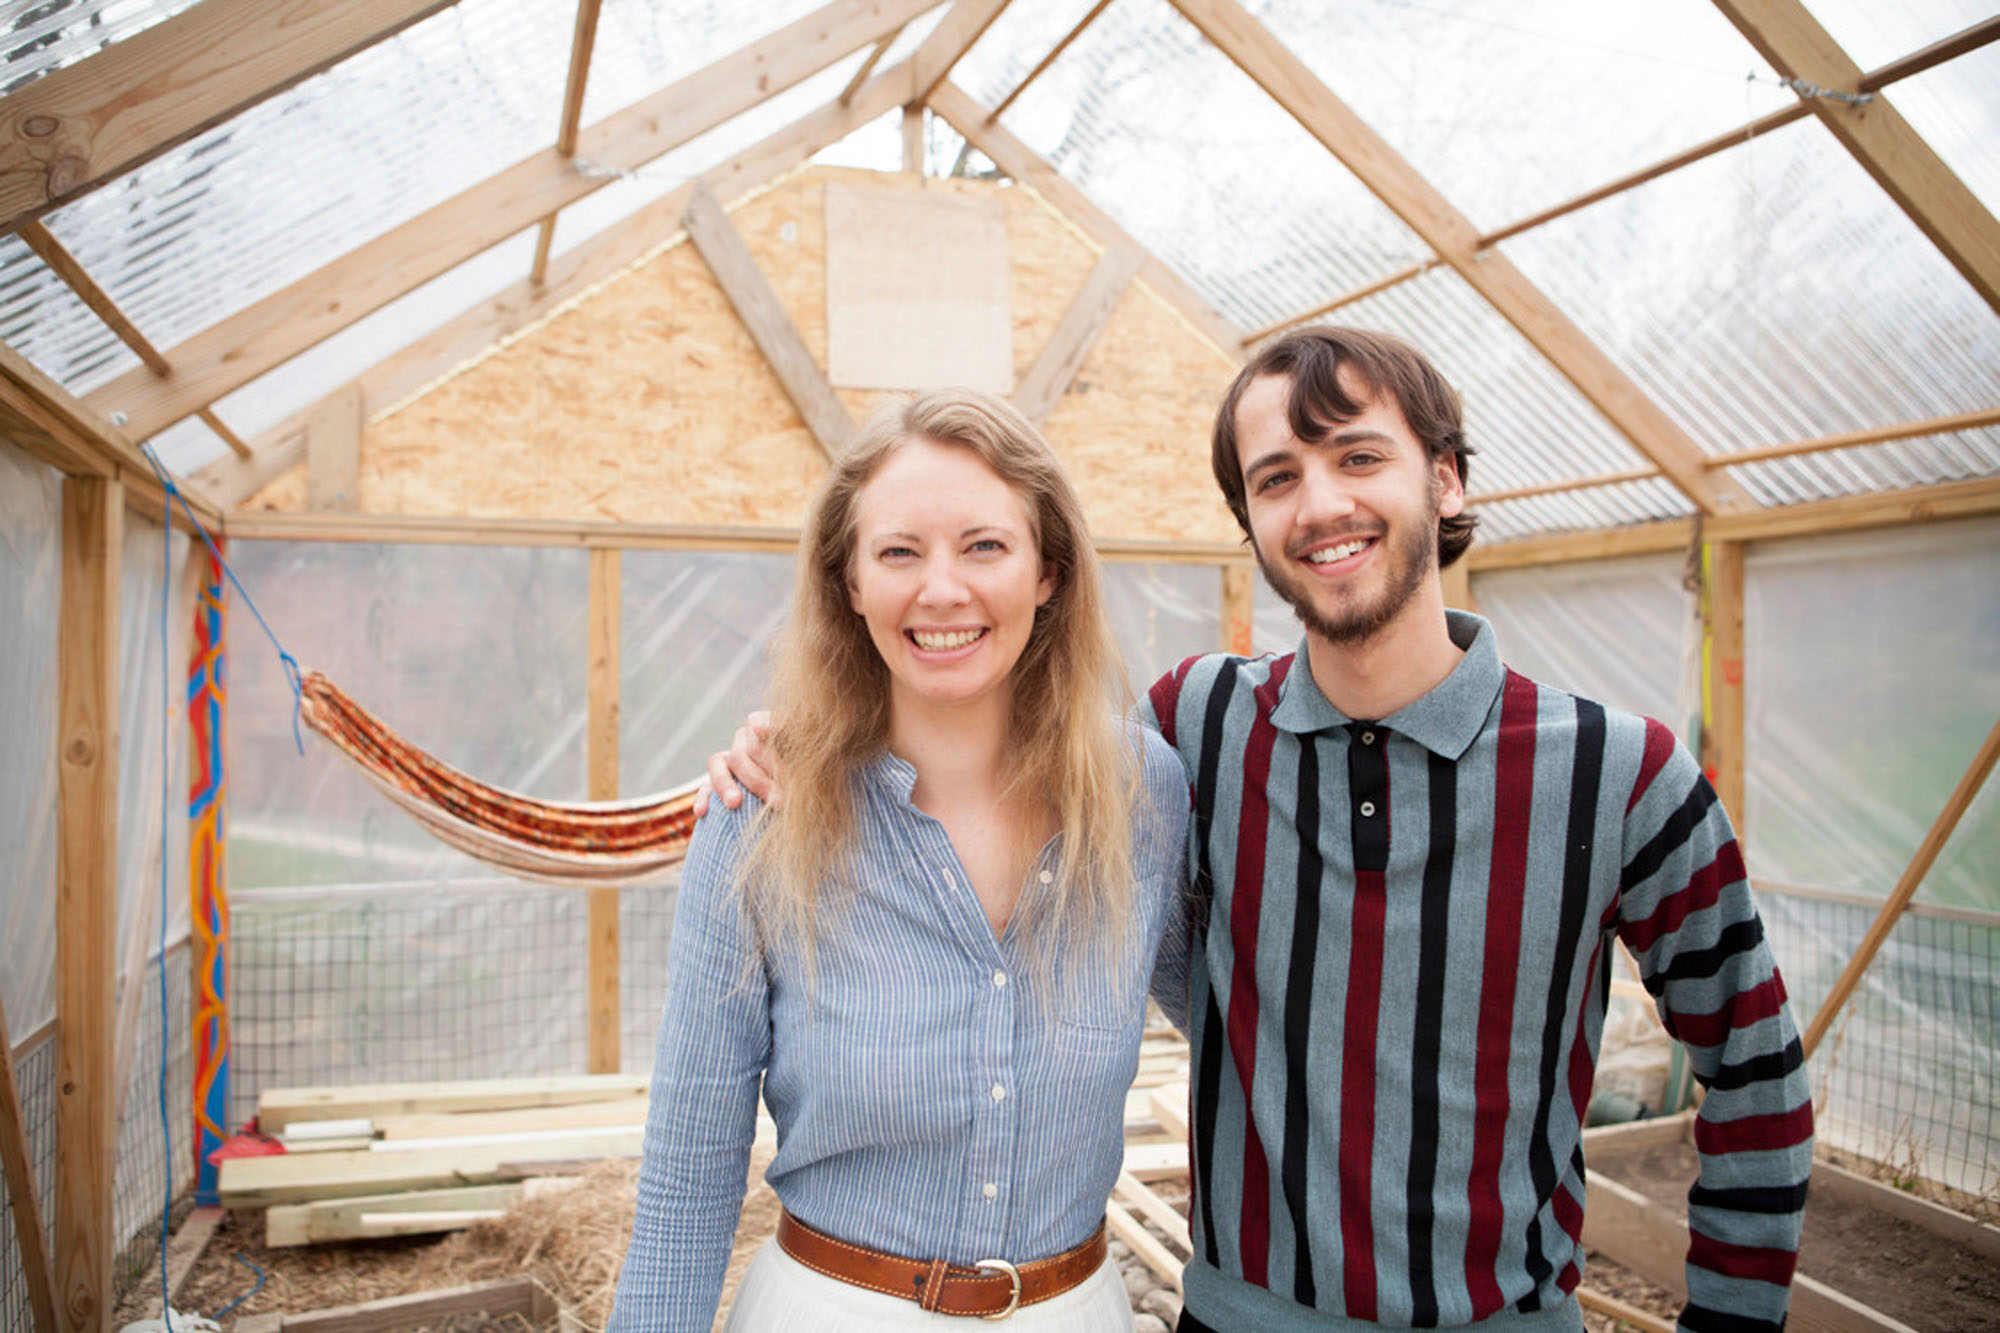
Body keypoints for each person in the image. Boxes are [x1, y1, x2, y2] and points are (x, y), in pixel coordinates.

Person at [706, 327, 1815, 1333]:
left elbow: (1756, 1076)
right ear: (1249, 522)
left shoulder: (1620, 774)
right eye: (1275, 477)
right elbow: (996, 762)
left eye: (1357, 456)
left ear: (1444, 475)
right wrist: (803, 744)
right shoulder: (1195, 730)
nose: (1319, 503)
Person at [609, 388, 1191, 1331]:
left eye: (985, 545)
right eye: (899, 552)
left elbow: (1242, 1027)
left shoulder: (1141, 797)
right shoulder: (761, 815)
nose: (942, 589)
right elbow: (690, 1163)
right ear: (849, 582)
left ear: (1050, 571)